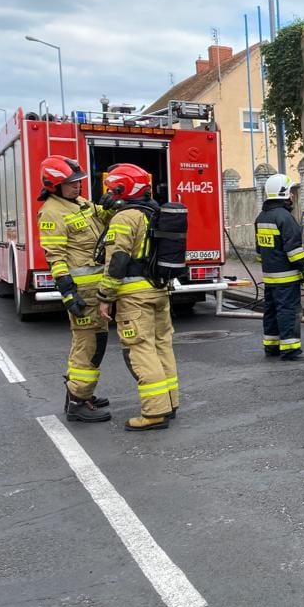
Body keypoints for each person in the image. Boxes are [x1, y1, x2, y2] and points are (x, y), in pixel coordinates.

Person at [96, 163, 178, 431]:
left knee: (141, 349)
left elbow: (117, 260)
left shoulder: (124, 218)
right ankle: (169, 403)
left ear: (121, 187)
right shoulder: (155, 212)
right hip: (158, 289)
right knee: (162, 346)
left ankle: (154, 412)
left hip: (134, 295)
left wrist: (105, 295)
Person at [36, 155, 111, 424]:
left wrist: (110, 206)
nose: (77, 186)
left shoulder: (79, 203)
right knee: (88, 345)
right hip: (82, 292)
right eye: (71, 183)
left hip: (96, 290)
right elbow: (55, 256)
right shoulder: (52, 212)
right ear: (54, 185)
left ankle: (81, 394)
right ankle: (78, 402)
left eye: (78, 182)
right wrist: (68, 292)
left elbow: (103, 220)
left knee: (94, 342)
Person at [255, 174, 304, 361]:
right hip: (287, 277)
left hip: (269, 276)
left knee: (271, 311)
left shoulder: (261, 217)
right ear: (285, 193)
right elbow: (294, 250)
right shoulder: (285, 218)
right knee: (288, 311)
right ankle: (291, 350)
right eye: (290, 193)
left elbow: (259, 251)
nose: (293, 197)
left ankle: (271, 347)